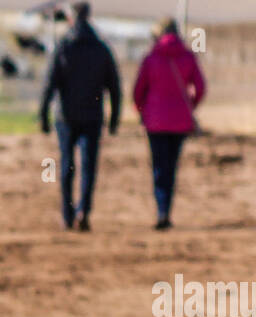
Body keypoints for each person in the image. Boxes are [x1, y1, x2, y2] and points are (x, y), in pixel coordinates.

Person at [38, 2, 121, 231]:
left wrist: (43, 115)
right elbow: (114, 87)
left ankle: (67, 214)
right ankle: (83, 211)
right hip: (93, 118)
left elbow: (49, 84)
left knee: (67, 165)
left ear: (72, 18)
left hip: (66, 117)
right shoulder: (101, 48)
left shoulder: (64, 47)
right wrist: (114, 119)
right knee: (88, 166)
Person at [132, 17, 205, 230]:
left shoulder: (151, 58)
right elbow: (200, 88)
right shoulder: (188, 57)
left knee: (158, 167)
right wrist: (190, 106)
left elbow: (138, 91)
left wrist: (142, 111)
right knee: (171, 167)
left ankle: (161, 210)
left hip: (155, 122)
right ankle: (166, 210)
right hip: (180, 122)